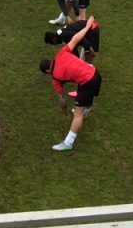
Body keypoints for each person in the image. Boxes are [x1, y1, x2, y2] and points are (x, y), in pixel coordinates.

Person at [39, 19, 101, 151]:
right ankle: (87, 111)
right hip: (95, 73)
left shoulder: (55, 78)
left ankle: (68, 142)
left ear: (47, 72)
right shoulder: (61, 53)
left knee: (77, 113)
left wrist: (66, 112)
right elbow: (75, 38)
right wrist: (87, 26)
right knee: (85, 96)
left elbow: (62, 101)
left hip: (87, 80)